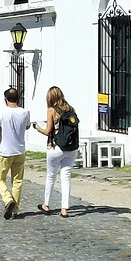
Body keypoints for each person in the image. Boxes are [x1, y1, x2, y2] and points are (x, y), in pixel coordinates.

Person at [0, 86, 31, 219]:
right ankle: (16, 209)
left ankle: (8, 199)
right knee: (17, 181)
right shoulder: (25, 112)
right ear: (18, 98)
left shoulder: (2, 112)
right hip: (20, 151)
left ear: (5, 99)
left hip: (5, 152)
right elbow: (27, 126)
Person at [34, 86, 77, 218]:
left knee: (51, 176)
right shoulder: (71, 109)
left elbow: (48, 131)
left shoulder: (52, 110)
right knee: (66, 178)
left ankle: (46, 205)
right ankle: (65, 209)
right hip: (71, 148)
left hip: (56, 147)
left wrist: (37, 128)